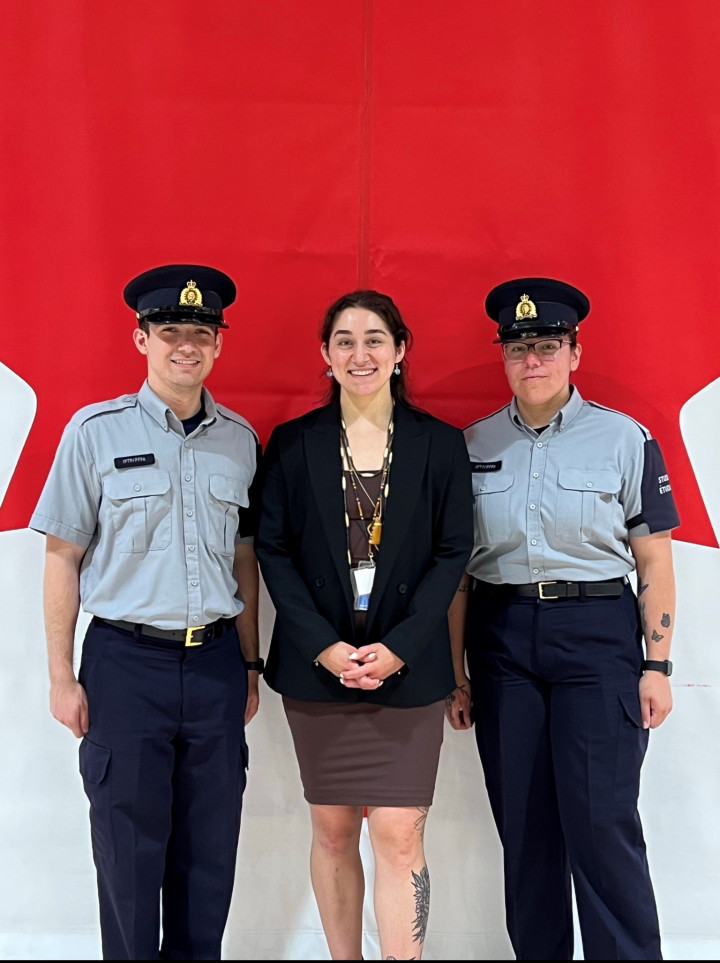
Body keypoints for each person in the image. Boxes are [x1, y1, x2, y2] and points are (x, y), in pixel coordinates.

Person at [30, 264, 263, 961]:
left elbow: (244, 562)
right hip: (125, 666)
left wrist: (249, 663)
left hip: (217, 663)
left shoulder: (241, 440)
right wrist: (61, 677)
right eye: (170, 331)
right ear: (141, 338)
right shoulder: (93, 432)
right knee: (128, 855)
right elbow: (62, 556)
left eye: (201, 332)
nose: (185, 345)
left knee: (209, 851)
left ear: (219, 343)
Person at [446, 276, 679, 960]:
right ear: (505, 359)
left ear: (574, 352)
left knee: (601, 824)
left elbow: (655, 563)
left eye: (547, 346)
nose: (533, 362)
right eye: (519, 349)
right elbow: (459, 573)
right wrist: (456, 670)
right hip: (503, 639)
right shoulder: (473, 444)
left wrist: (657, 664)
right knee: (526, 830)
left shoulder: (624, 438)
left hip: (598, 637)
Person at [255, 290, 473, 960]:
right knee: (332, 829)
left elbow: (452, 551)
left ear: (401, 350)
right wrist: (324, 646)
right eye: (344, 340)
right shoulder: (294, 444)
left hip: (409, 669)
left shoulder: (440, 444)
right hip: (317, 669)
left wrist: (400, 646)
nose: (360, 353)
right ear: (325, 355)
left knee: (401, 833)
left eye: (375, 338)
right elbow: (274, 550)